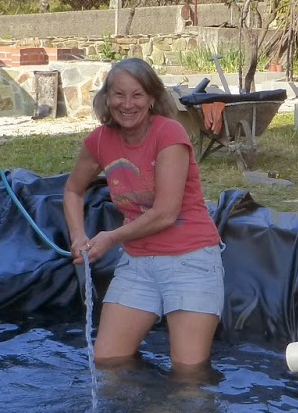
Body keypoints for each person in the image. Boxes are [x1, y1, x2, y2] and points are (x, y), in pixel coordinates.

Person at [63, 58, 224, 370]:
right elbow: (72, 190)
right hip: (138, 263)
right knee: (107, 361)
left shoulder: (170, 134)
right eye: (118, 95)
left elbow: (165, 214)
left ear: (152, 98)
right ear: (106, 99)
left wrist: (110, 238)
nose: (127, 104)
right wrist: (78, 236)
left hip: (190, 260)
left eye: (137, 95)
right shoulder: (99, 140)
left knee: (188, 375)